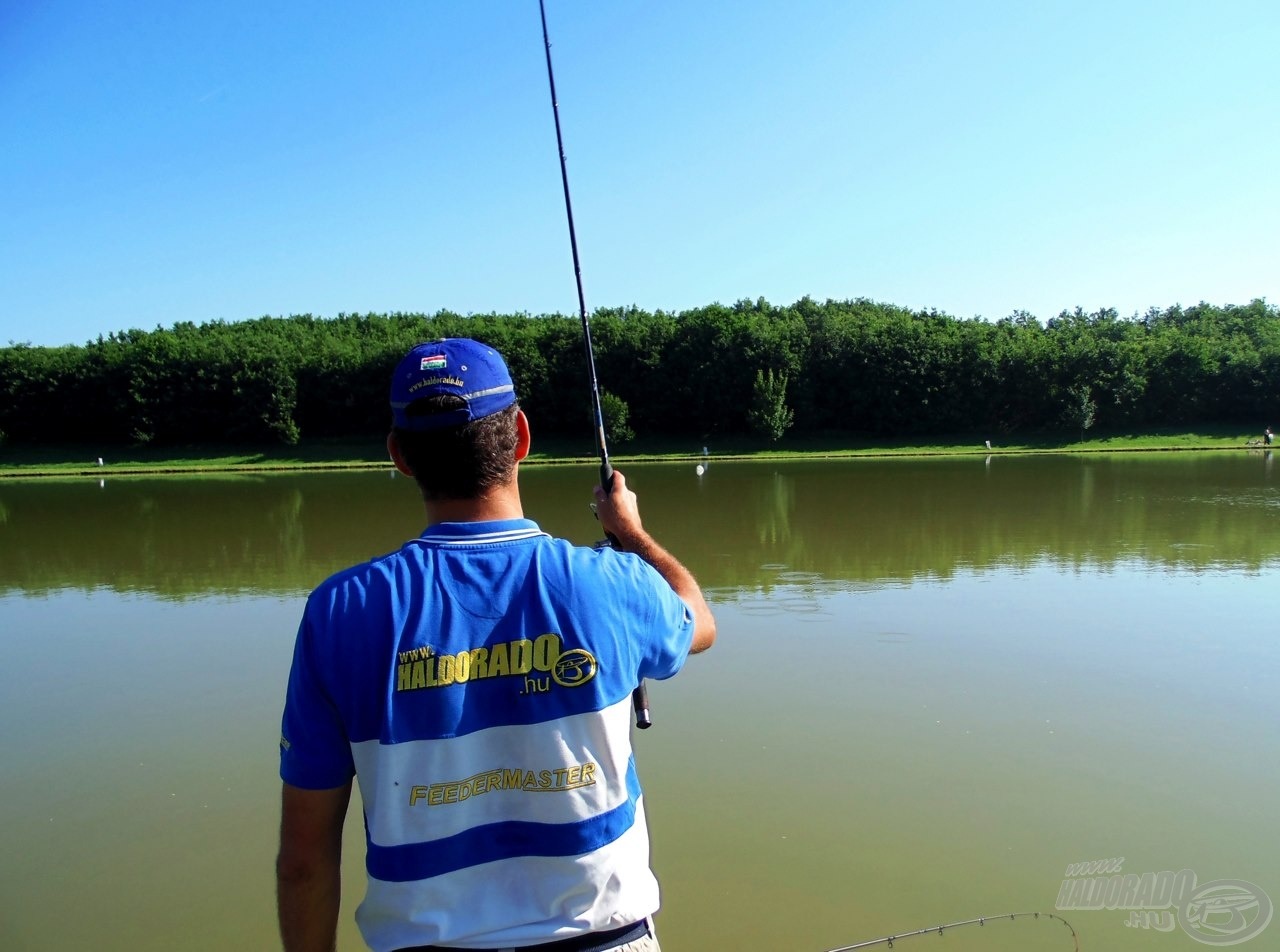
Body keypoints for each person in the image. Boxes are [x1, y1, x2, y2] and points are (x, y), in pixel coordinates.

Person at [276, 338, 716, 952]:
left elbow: (304, 861)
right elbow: (699, 622)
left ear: (400, 455)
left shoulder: (340, 611)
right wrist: (633, 535)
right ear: (522, 435)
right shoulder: (611, 582)